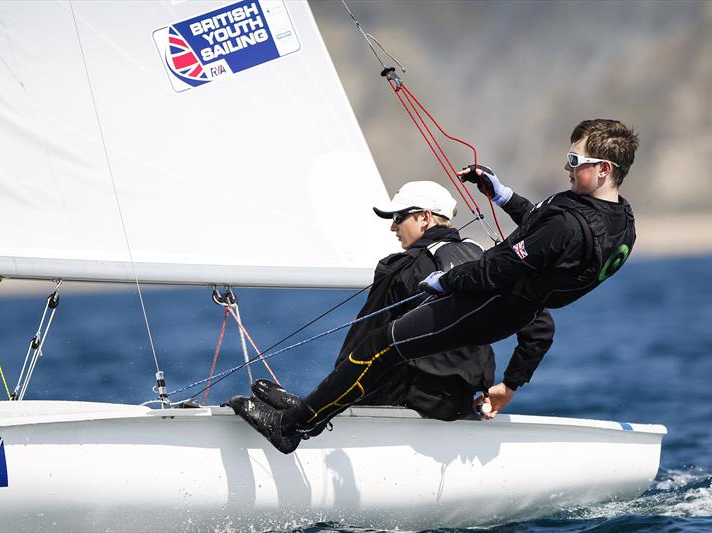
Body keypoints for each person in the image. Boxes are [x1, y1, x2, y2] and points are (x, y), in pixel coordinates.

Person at [231, 118, 639, 454]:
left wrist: (447, 280)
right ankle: (311, 410)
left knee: (380, 345)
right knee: (388, 351)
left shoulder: (568, 226)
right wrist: (503, 195)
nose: (566, 167)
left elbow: (499, 269)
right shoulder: (621, 222)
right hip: (505, 301)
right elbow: (547, 229)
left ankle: (293, 427)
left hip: (489, 304)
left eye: (574, 159)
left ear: (603, 167)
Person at [252, 181, 496, 423]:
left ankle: (310, 410)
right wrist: (510, 384)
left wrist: (330, 391)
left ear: (425, 217)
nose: (393, 227)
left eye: (399, 217)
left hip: (411, 396)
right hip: (460, 400)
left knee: (373, 356)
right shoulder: (480, 257)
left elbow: (366, 336)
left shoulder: (403, 266)